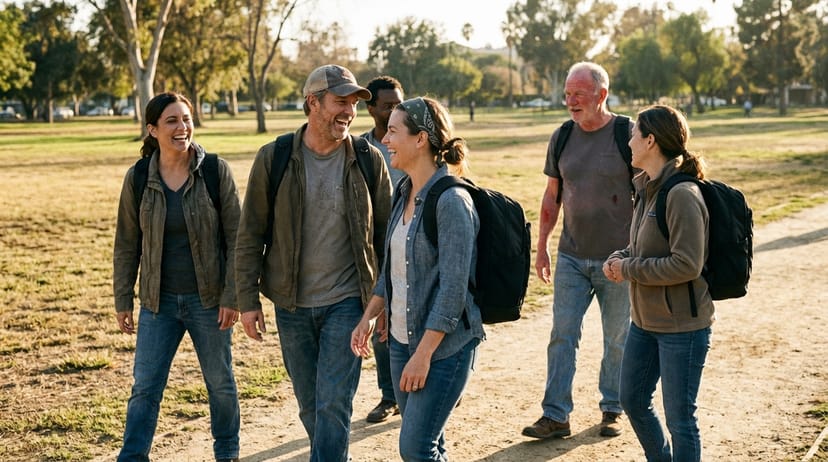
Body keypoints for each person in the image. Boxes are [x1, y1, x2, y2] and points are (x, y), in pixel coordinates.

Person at [235, 64, 392, 462]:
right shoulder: (275, 158)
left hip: (348, 303)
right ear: (312, 103)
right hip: (291, 305)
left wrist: (383, 298)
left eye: (354, 104)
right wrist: (247, 299)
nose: (349, 112)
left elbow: (389, 236)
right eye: (340, 102)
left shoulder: (367, 159)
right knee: (310, 404)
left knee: (333, 402)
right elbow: (250, 233)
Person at [351, 96, 484, 462]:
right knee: (429, 444)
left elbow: (454, 292)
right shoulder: (404, 191)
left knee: (415, 448)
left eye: (393, 132)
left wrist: (422, 356)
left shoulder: (453, 202)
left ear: (421, 139)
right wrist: (369, 317)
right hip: (399, 342)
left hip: (444, 350)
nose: (386, 140)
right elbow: (393, 270)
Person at [113, 92, 241, 462]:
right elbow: (126, 244)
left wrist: (233, 295)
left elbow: (238, 239)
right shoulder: (138, 178)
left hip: (210, 301)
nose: (182, 127)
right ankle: (133, 455)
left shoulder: (215, 171)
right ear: (152, 129)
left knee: (220, 384)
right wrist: (123, 299)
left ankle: (227, 451)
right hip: (158, 303)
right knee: (145, 387)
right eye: (171, 121)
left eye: (186, 119)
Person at [523, 61, 632, 440]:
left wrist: (638, 254)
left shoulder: (626, 133)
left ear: (601, 95)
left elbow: (648, 194)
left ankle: (613, 408)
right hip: (571, 255)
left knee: (617, 338)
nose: (570, 101)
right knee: (562, 335)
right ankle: (556, 415)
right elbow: (552, 196)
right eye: (567, 94)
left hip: (618, 261)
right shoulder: (563, 136)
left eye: (578, 94)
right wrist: (542, 246)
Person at [605, 104, 713, 461]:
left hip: (682, 326)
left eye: (634, 133)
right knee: (632, 400)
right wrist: (621, 256)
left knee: (680, 420)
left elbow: (687, 264)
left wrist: (630, 268)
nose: (629, 139)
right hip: (645, 321)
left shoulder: (682, 194)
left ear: (651, 140)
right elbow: (644, 245)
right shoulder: (647, 187)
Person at [361, 75, 405, 424]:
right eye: (387, 105)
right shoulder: (360, 149)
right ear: (370, 107)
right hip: (375, 248)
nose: (393, 110)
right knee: (380, 323)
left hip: (414, 242)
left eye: (398, 104)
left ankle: (434, 386)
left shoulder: (412, 141)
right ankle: (389, 395)